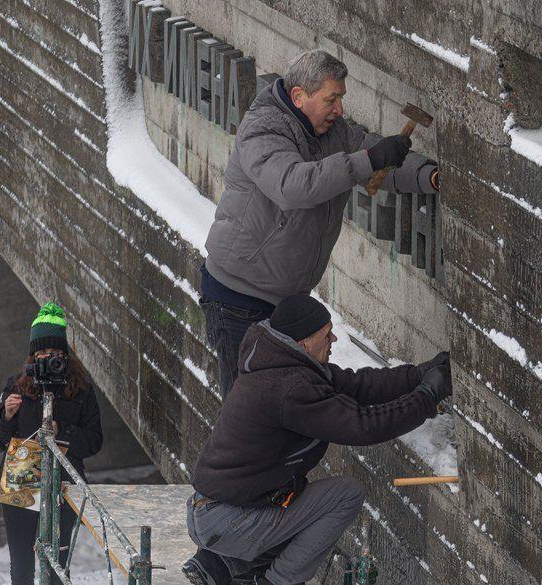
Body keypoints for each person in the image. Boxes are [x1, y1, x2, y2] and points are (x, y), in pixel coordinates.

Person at [201, 48, 441, 399]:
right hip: (237, 300)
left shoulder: (332, 131)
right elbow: (293, 186)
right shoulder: (263, 129)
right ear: (299, 96)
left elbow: (371, 155)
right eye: (332, 99)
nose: (340, 110)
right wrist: (368, 160)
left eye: (341, 99)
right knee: (247, 415)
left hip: (283, 302)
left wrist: (428, 176)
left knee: (281, 410)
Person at [182, 293, 452, 585]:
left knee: (300, 509)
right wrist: (426, 397)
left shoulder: (281, 364)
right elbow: (363, 426)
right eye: (326, 334)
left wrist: (419, 375)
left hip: (216, 512)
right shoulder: (290, 388)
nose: (334, 339)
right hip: (227, 519)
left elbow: (358, 385)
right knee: (344, 495)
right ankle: (274, 581)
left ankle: (223, 564)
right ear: (303, 344)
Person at [0, 302, 104, 585]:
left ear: (65, 354)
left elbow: (94, 441)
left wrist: (60, 430)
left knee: (58, 563)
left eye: (54, 353)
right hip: (22, 471)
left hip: (64, 477)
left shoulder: (81, 389)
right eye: (41, 352)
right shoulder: (18, 384)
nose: (46, 358)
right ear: (32, 355)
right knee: (21, 562)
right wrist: (5, 415)